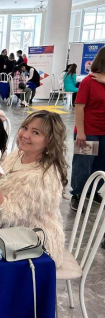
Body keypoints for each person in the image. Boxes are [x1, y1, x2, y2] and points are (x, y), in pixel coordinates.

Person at [0, 111, 68, 268]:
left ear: (50, 141)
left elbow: (5, 217)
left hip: (34, 247)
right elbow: (10, 191)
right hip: (14, 233)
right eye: (25, 127)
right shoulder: (18, 154)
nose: (25, 135)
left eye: (35, 132)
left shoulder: (43, 177)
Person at [70, 47, 105, 211]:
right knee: (83, 166)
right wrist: (81, 132)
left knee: (101, 166)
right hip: (88, 131)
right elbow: (79, 107)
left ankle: (92, 192)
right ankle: (77, 194)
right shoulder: (88, 81)